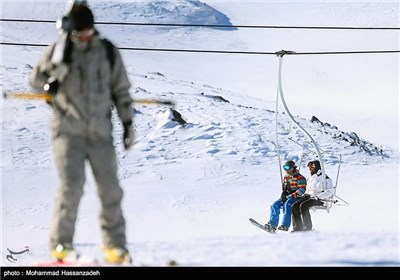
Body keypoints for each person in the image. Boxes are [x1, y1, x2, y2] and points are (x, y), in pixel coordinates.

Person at [29, 3, 134, 264]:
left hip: (100, 133)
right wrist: (50, 80)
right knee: (71, 188)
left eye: (87, 31)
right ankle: (61, 247)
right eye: (78, 33)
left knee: (110, 190)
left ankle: (115, 247)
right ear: (71, 31)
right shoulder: (58, 52)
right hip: (68, 132)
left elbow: (121, 90)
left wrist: (128, 123)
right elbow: (35, 82)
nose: (83, 37)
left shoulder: (107, 52)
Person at [291, 160, 335, 232]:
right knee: (294, 206)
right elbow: (308, 189)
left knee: (303, 206)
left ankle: (308, 228)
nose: (310, 169)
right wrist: (304, 195)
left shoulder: (325, 178)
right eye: (309, 167)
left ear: (317, 167)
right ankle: (298, 228)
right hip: (309, 197)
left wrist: (319, 197)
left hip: (319, 199)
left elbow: (330, 191)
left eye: (312, 167)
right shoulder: (311, 178)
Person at [264, 160, 307, 232]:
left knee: (287, 204)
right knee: (275, 205)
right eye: (284, 167)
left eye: (287, 167)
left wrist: (289, 196)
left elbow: (301, 191)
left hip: (297, 197)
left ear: (292, 168)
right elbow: (285, 189)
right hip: (288, 196)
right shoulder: (286, 177)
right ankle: (272, 225)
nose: (285, 170)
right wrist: (283, 194)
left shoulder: (300, 178)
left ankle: (285, 225)